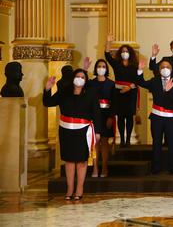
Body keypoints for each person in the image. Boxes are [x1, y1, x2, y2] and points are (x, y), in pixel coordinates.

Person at [43, 69, 101, 201]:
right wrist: (47, 89)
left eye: (82, 77)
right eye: (77, 76)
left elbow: (97, 113)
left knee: (81, 160)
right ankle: (69, 188)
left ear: (85, 80)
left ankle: (79, 188)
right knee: (69, 160)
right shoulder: (64, 92)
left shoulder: (91, 93)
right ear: (73, 78)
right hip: (66, 130)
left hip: (83, 130)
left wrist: (97, 132)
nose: (79, 79)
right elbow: (48, 102)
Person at [136, 60, 173, 174]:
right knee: (156, 143)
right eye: (162, 67)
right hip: (157, 117)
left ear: (171, 69)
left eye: (167, 66)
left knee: (172, 144)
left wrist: (168, 91)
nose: (165, 68)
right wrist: (140, 70)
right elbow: (141, 82)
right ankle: (156, 168)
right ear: (159, 69)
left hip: (171, 118)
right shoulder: (154, 81)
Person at [105, 34, 139, 147]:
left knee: (129, 117)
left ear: (130, 53)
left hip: (130, 93)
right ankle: (122, 140)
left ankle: (128, 139)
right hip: (118, 93)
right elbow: (107, 55)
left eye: (127, 51)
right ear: (120, 53)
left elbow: (138, 80)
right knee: (120, 117)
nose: (125, 53)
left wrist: (129, 87)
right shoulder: (117, 64)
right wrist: (108, 42)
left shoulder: (135, 65)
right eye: (123, 51)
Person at [87, 59, 116, 178]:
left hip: (106, 114)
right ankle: (95, 167)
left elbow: (114, 101)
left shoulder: (111, 84)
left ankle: (104, 166)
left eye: (103, 66)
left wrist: (111, 117)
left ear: (106, 69)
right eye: (99, 66)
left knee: (104, 142)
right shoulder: (91, 83)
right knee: (95, 142)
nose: (101, 68)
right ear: (95, 68)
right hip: (94, 115)